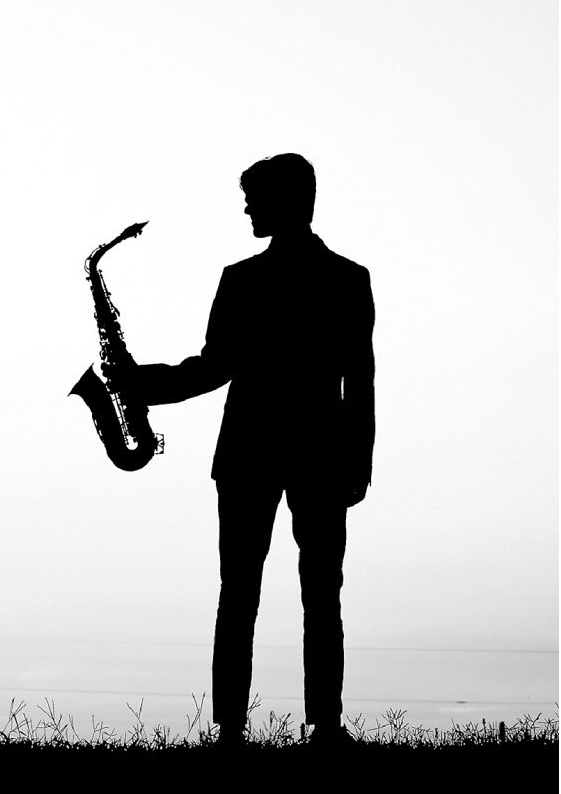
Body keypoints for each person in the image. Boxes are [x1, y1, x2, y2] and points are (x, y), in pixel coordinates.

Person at [113, 154, 373, 748]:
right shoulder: (345, 278)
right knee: (319, 595)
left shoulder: (247, 280)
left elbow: (212, 369)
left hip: (256, 453)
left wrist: (141, 383)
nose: (247, 208)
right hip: (319, 454)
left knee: (241, 593)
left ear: (286, 201)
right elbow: (360, 382)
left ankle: (231, 729)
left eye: (254, 198)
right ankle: (322, 728)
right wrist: (358, 460)